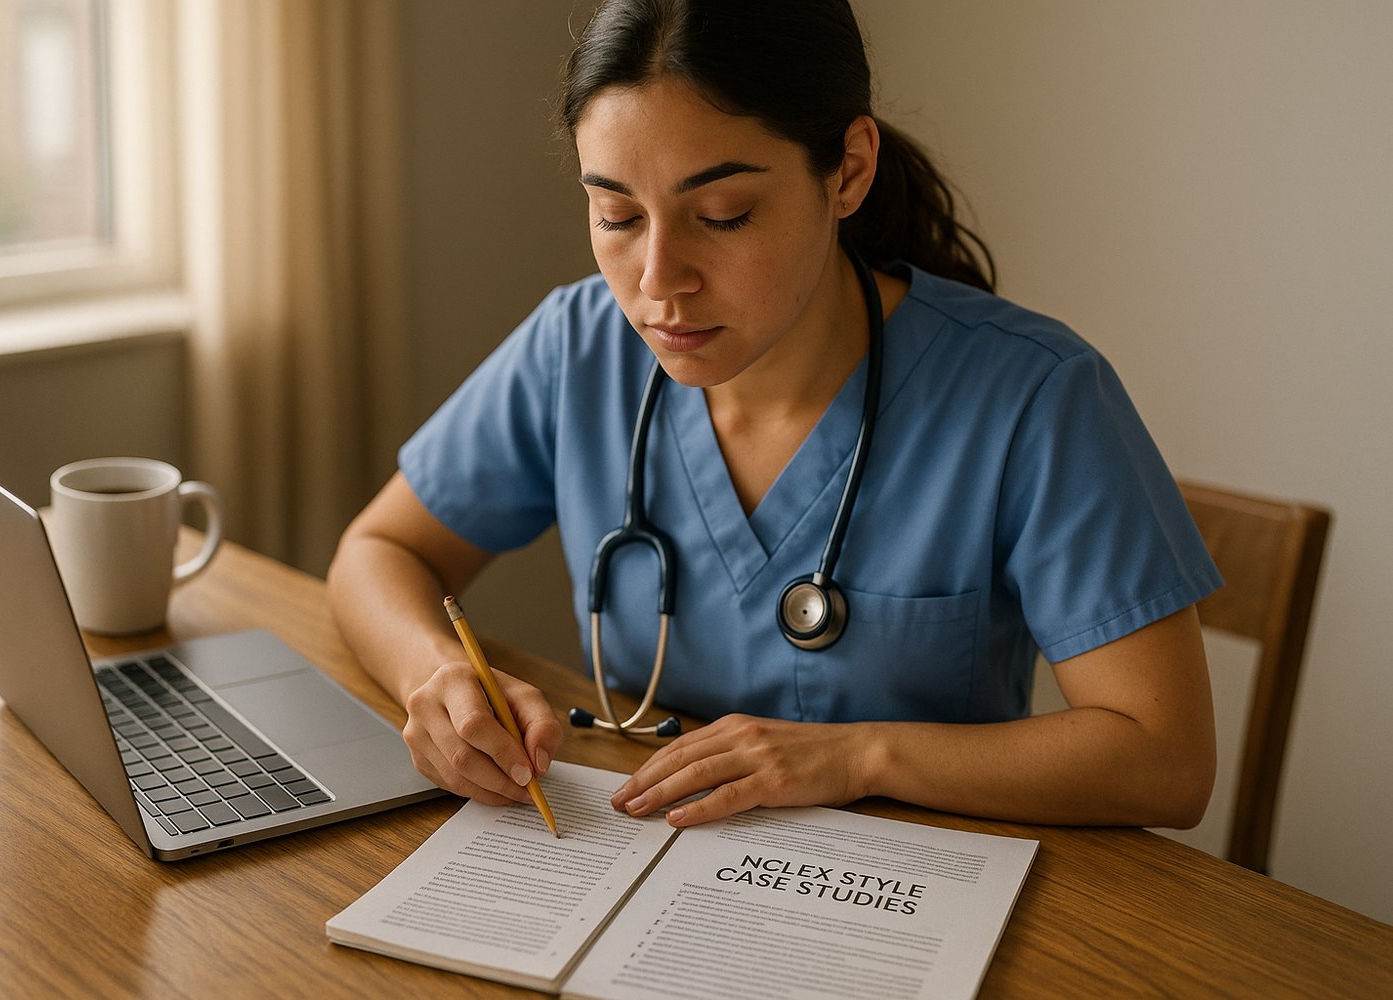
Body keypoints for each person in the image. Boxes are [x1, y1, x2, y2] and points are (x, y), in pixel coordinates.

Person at [327, 0, 1222, 832]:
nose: (658, 282)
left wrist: (859, 753)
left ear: (849, 172)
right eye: (617, 215)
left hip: (908, 903)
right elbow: (380, 552)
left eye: (723, 215)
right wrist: (436, 675)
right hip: (650, 860)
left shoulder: (1032, 395)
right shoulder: (579, 348)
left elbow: (1166, 759)